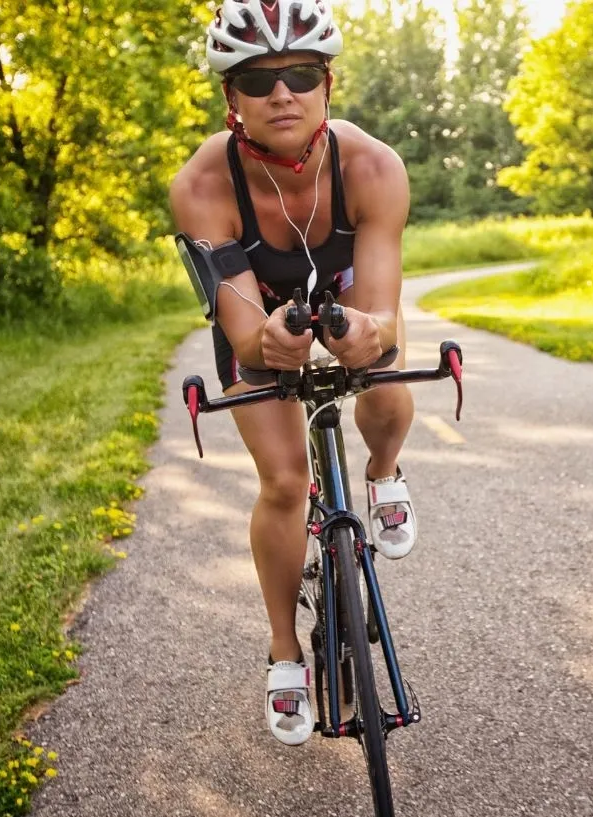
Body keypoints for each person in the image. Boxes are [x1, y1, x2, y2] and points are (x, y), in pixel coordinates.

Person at [168, 0, 417, 746]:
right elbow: (246, 334)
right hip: (261, 316)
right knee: (281, 482)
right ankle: (285, 652)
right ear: (230, 97)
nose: (283, 93)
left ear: (327, 86)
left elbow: (381, 314)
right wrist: (272, 339)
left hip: (343, 296)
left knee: (383, 376)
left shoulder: (374, 166)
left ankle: (384, 472)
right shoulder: (202, 186)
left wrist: (361, 333)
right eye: (259, 78)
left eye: (301, 74)